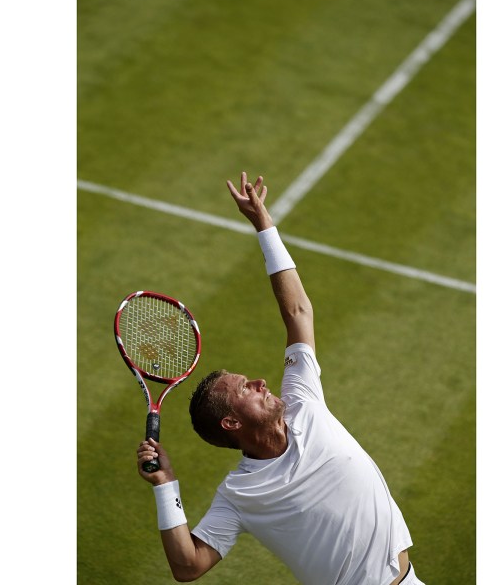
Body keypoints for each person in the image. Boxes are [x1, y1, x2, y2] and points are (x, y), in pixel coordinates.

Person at [136, 172, 425, 584]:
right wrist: (166, 485)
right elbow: (188, 566)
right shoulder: (239, 495)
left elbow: (298, 313)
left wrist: (264, 226)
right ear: (232, 423)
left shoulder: (303, 399)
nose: (260, 381)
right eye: (245, 389)